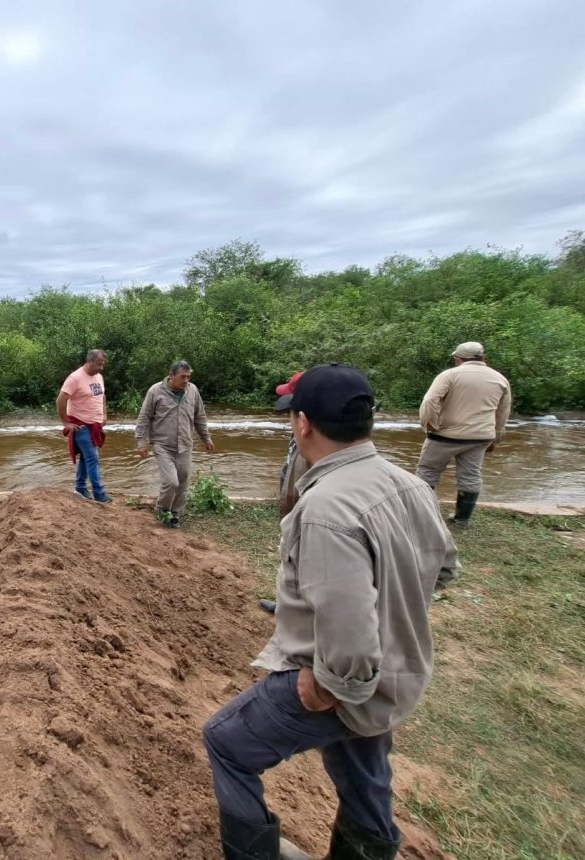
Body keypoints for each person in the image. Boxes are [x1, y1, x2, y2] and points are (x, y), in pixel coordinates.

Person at [202, 363, 457, 860]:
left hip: (347, 681)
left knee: (226, 743)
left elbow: (349, 633)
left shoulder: (326, 510)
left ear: (302, 424)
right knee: (363, 768)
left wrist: (328, 688)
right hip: (399, 672)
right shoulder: (410, 485)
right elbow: (443, 569)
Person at [414, 341, 512, 529]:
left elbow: (429, 401)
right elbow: (502, 413)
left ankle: (421, 518)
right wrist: (495, 438)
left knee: (427, 473)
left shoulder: (449, 375)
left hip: (445, 435)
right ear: (483, 357)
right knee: (471, 476)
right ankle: (461, 520)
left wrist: (430, 425)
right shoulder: (499, 379)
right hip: (480, 437)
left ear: (458, 358)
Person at [134, 360, 215, 527]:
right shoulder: (155, 391)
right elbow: (144, 418)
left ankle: (176, 514)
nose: (186, 380)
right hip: (163, 445)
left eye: (188, 377)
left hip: (185, 444)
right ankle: (163, 510)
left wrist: (206, 438)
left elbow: (199, 417)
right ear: (171, 376)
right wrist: (141, 442)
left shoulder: (192, 390)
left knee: (183, 480)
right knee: (171, 482)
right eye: (182, 377)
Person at [258, 371, 308, 615]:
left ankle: (296, 610)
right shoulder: (306, 439)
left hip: (304, 522)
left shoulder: (317, 448)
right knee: (292, 562)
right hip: (296, 520)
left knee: (301, 561)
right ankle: (288, 604)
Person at [57, 349, 111, 504]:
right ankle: (99, 493)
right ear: (89, 361)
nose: (101, 368)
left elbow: (102, 396)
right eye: (99, 365)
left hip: (95, 425)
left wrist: (104, 415)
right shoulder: (75, 378)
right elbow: (60, 400)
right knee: (93, 458)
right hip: (81, 425)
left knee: (86, 459)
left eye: (103, 365)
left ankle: (80, 487)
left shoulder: (98, 376)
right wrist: (66, 423)